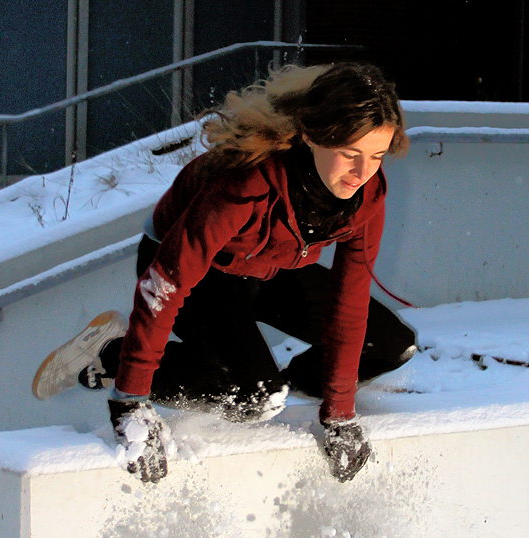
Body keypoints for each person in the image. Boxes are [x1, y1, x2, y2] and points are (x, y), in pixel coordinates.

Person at [33, 62, 416, 484]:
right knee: (254, 398)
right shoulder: (247, 180)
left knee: (392, 345)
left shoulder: (367, 196)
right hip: (198, 273)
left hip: (271, 268)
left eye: (376, 157)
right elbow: (166, 282)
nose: (362, 174)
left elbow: (350, 300)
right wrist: (130, 400)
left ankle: (284, 382)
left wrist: (338, 415)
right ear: (312, 136)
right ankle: (109, 355)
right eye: (350, 154)